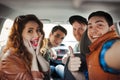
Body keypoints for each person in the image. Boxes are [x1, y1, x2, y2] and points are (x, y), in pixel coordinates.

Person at [0, 14, 49, 80]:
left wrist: (38, 54)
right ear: (19, 35)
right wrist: (33, 57)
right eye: (30, 31)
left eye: (38, 30)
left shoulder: (28, 50)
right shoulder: (10, 59)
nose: (37, 35)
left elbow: (46, 70)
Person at [86, 11, 120, 80]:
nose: (93, 31)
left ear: (112, 28)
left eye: (100, 25)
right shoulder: (94, 49)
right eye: (90, 26)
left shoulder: (108, 47)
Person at [60, 15, 88, 80]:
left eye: (81, 29)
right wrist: (66, 58)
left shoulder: (90, 46)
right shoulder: (77, 45)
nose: (76, 33)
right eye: (74, 29)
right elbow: (71, 54)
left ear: (87, 30)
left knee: (58, 67)